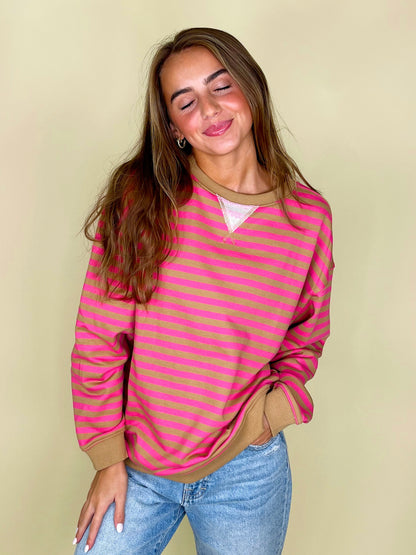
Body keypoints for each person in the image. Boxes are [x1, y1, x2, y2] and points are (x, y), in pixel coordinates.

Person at [71, 27, 334, 555]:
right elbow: (100, 338)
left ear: (250, 88)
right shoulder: (142, 200)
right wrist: (107, 459)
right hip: (138, 466)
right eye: (186, 101)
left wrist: (273, 414)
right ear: (174, 127)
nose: (210, 109)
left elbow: (305, 335)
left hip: (247, 471)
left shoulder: (308, 219)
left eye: (221, 86)